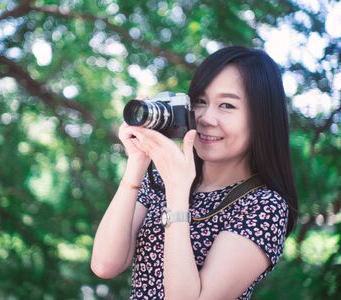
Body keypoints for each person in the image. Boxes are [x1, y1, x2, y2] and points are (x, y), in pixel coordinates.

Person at [91, 46, 298, 300]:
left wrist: (177, 192)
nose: (206, 118)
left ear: (261, 118)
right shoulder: (161, 179)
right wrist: (136, 164)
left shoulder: (264, 206)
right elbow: (105, 264)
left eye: (227, 105)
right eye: (200, 102)